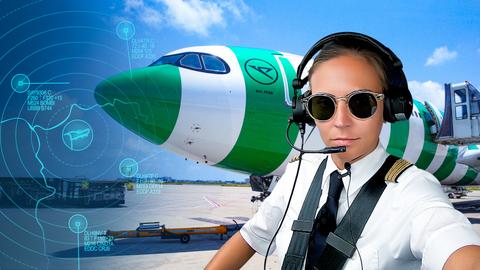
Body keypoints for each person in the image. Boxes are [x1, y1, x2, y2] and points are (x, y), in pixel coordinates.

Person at [205, 33, 480, 269]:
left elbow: (452, 241)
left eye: (362, 103)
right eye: (324, 105)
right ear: (306, 113)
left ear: (390, 109)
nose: (341, 121)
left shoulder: (412, 189)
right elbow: (250, 236)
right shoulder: (299, 174)